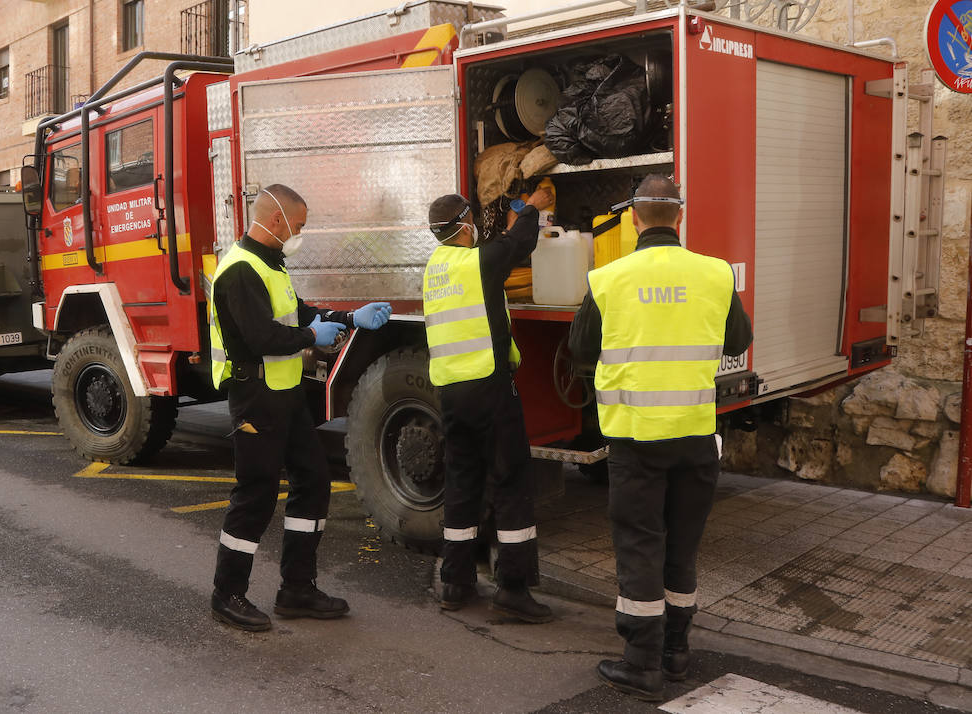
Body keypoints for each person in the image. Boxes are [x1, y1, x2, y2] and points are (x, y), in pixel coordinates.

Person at [569, 175, 752, 701]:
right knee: (683, 547)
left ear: (633, 219)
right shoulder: (715, 274)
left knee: (639, 546)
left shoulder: (607, 279)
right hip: (695, 438)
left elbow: (581, 352)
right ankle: (676, 652)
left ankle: (641, 663)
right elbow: (738, 339)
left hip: (635, 440)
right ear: (679, 218)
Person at [208, 184, 392, 632]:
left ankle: (297, 588)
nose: (301, 233)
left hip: (285, 396)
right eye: (301, 225)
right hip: (256, 396)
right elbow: (262, 337)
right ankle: (227, 594)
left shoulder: (271, 263)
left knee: (312, 481)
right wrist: (313, 338)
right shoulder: (239, 271)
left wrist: (348, 318)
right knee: (255, 495)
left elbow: (299, 313)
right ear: (277, 221)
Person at [422, 188, 555, 622]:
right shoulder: (478, 262)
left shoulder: (434, 268)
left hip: (452, 393)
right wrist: (531, 207)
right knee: (511, 480)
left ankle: (455, 582)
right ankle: (513, 588)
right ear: (464, 225)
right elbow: (519, 244)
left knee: (463, 481)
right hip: (489, 387)